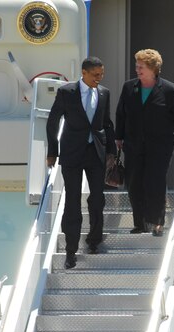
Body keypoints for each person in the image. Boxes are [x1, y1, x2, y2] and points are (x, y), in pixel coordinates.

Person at [116, 49, 174, 237]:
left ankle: (157, 222)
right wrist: (118, 137)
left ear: (153, 69)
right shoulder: (129, 87)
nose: (137, 69)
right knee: (134, 183)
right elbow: (121, 114)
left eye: (141, 67)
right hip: (133, 144)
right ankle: (140, 223)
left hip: (160, 145)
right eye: (136, 66)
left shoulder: (170, 90)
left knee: (155, 181)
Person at [46, 57, 116, 269]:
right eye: (95, 74)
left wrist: (111, 151)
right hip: (72, 153)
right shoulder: (67, 92)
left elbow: (107, 123)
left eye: (101, 74)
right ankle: (70, 250)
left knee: (97, 199)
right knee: (72, 201)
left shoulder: (104, 93)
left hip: (96, 152)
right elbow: (53, 121)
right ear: (84, 73)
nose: (99, 78)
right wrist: (52, 151)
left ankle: (94, 240)